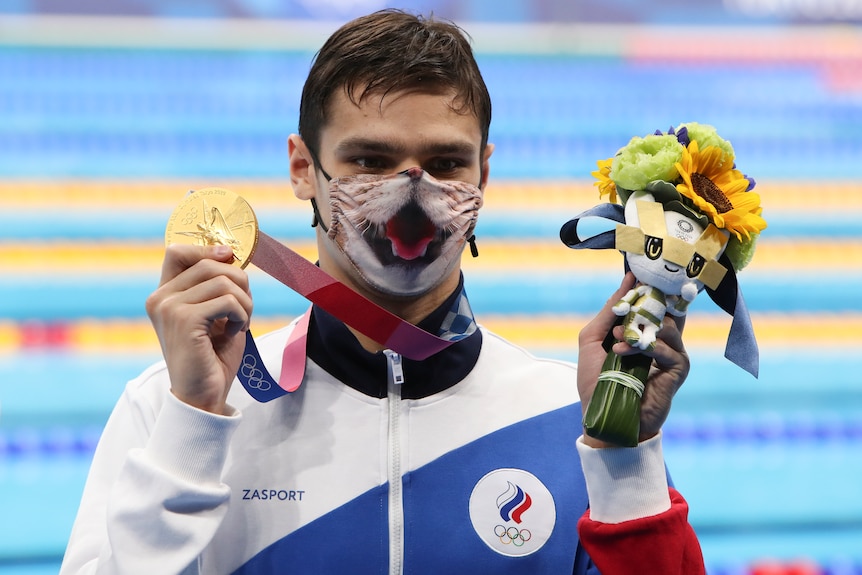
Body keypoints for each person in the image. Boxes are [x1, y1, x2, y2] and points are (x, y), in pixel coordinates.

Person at [61, 9, 705, 574]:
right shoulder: (171, 408)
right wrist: (194, 423)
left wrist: (625, 460)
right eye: (369, 160)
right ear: (302, 169)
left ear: (484, 171)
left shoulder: (574, 416)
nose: (413, 192)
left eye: (447, 163)